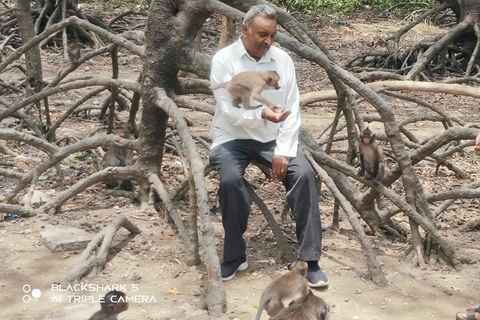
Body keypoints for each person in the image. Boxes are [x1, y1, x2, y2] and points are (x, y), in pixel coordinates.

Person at [209, 4, 328, 288]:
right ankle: (235, 255)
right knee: (229, 181)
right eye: (263, 34)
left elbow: (292, 108)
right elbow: (227, 110)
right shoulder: (224, 60)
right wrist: (260, 113)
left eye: (273, 35)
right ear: (245, 29)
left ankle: (309, 260)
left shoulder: (282, 61)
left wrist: (284, 151)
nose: (268, 41)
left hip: (272, 136)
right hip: (232, 135)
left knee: (304, 175)